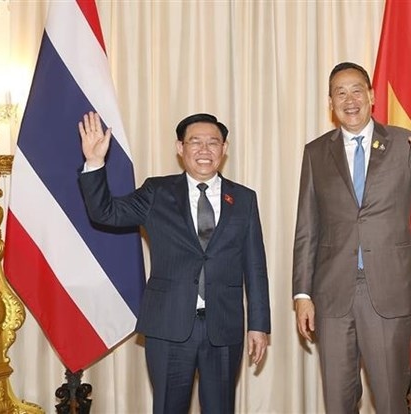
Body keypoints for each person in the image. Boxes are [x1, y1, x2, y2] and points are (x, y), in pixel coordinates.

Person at [292, 62, 411, 413]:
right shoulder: (316, 152)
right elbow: (307, 227)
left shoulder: (404, 143)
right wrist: (303, 293)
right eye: (340, 92)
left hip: (388, 290)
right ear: (330, 102)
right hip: (332, 294)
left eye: (357, 90)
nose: (349, 99)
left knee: (389, 400)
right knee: (338, 401)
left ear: (371, 96)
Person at [78, 112, 271, 414]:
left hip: (224, 327)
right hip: (168, 326)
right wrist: (94, 163)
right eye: (195, 142)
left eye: (213, 143)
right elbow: (105, 213)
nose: (204, 150)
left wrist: (259, 326)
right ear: (180, 148)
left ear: (224, 149)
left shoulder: (244, 199)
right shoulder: (157, 191)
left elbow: (256, 267)